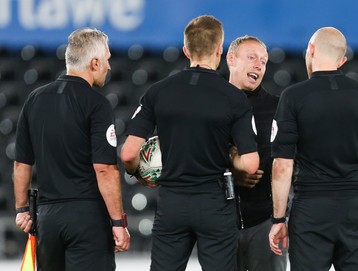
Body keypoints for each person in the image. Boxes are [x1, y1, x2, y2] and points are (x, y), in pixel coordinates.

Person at [121, 15, 259, 271]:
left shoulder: (157, 92)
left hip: (172, 202)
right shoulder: (235, 98)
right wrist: (231, 158)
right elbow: (250, 164)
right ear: (220, 48)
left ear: (186, 50)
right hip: (215, 203)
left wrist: (138, 173)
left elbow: (129, 153)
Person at [268, 27, 358, 271]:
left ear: (310, 50)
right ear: (342, 60)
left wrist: (279, 219)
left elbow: (282, 166)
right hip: (354, 209)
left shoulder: (292, 96)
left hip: (310, 210)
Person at [14, 28, 130, 271]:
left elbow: (21, 164)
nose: (109, 67)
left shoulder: (34, 99)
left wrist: (23, 209)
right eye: (107, 60)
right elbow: (105, 169)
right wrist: (118, 222)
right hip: (86, 217)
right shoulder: (97, 104)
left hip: (47, 219)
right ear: (95, 62)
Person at [226, 35, 287, 271]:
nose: (259, 65)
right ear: (231, 59)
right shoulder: (210, 103)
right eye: (252, 58)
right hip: (219, 224)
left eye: (263, 61)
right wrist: (232, 171)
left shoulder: (278, 108)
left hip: (265, 222)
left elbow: (289, 162)